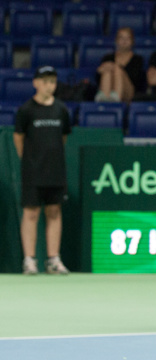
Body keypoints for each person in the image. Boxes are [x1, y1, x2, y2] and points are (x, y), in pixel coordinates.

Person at [13, 66, 72, 275]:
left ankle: (53, 260)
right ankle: (29, 260)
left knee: (54, 211)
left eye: (53, 82)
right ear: (35, 83)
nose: (49, 86)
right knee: (31, 213)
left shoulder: (61, 110)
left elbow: (63, 138)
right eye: (45, 81)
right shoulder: (26, 110)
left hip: (56, 170)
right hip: (33, 171)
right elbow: (18, 138)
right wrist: (30, 161)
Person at [95, 27, 146, 103]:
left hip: (129, 91)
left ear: (132, 41)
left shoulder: (137, 59)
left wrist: (116, 68)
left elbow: (136, 79)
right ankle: (104, 100)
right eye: (121, 38)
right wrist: (99, 70)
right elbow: (98, 78)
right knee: (107, 70)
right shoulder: (107, 58)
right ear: (116, 40)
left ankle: (116, 100)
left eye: (127, 38)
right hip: (109, 87)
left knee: (117, 69)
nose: (124, 41)